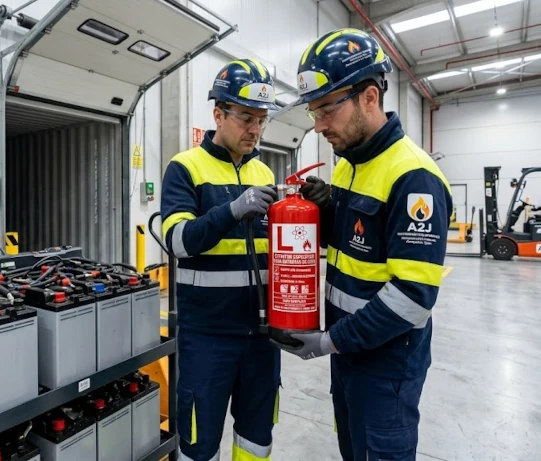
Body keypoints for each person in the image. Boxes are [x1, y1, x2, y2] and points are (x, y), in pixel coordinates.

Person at [273, 29, 453, 461]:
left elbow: (412, 298)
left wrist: (329, 341)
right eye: (314, 113)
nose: (319, 126)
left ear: (369, 97)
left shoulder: (414, 178)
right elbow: (358, 246)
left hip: (386, 361)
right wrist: (329, 209)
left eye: (326, 111)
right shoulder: (352, 166)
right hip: (351, 352)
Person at [160, 58, 282, 461]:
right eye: (246, 117)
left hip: (263, 337)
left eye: (261, 120)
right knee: (199, 442)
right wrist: (231, 210)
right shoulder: (185, 168)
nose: (255, 129)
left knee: (256, 439)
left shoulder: (265, 172)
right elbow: (177, 240)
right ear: (218, 113)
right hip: (207, 337)